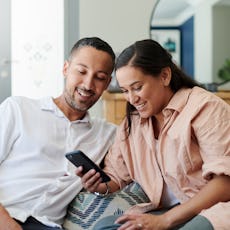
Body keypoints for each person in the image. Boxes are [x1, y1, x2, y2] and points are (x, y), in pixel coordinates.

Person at [77, 39, 230, 230]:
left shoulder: (205, 108)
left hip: (216, 209)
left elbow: (224, 184)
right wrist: (98, 185)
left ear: (165, 76)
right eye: (125, 91)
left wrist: (165, 220)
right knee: (104, 227)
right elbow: (116, 177)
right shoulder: (131, 124)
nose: (132, 99)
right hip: (172, 211)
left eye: (137, 87)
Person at [0, 37, 117, 230]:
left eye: (100, 77)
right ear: (65, 69)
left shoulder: (108, 134)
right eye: (81, 71)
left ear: (107, 84)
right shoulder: (18, 109)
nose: (88, 84)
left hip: (47, 225)